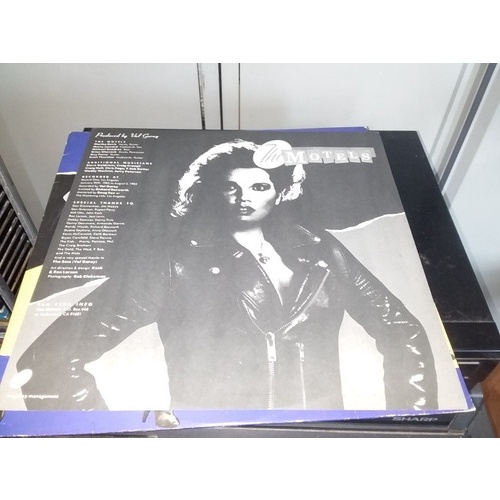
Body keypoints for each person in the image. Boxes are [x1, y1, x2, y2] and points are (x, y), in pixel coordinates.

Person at [16, 138, 438, 427]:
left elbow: (402, 330)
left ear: (280, 192)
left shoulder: (317, 248)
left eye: (259, 185)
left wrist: (406, 427)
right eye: (229, 187)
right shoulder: (174, 261)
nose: (243, 197)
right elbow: (47, 359)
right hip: (214, 441)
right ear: (207, 193)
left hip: (316, 437)